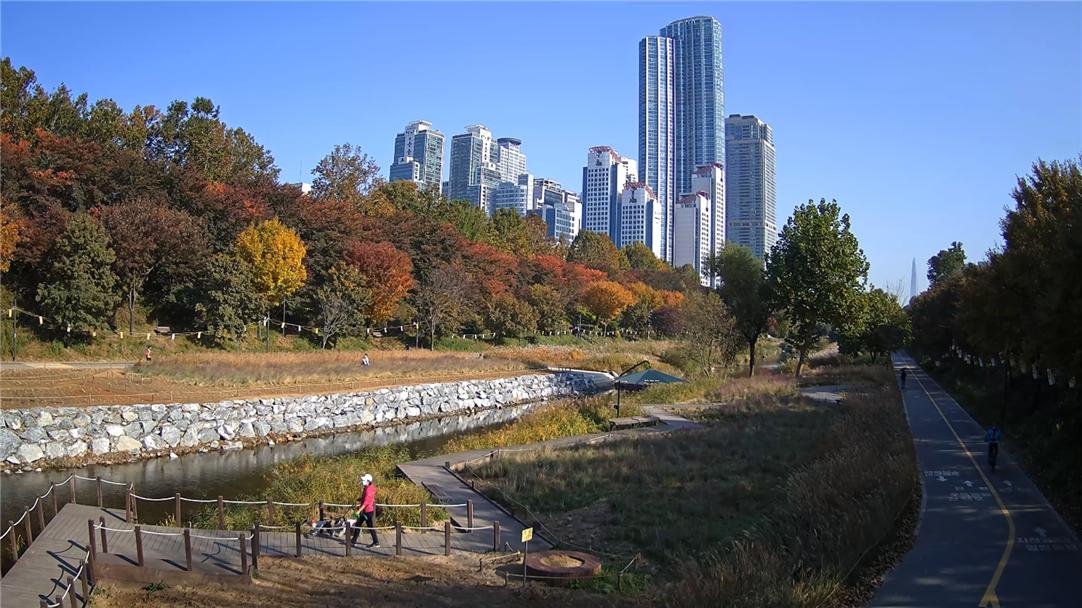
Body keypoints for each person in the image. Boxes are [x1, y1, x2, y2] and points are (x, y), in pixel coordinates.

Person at [351, 473, 380, 547]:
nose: (362, 481)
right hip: (366, 511)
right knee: (358, 524)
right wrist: (360, 499)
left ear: (368, 481)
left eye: (364, 480)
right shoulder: (367, 487)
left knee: (370, 526)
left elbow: (366, 502)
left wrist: (359, 511)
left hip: (367, 511)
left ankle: (376, 542)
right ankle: (354, 540)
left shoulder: (369, 490)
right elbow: (367, 499)